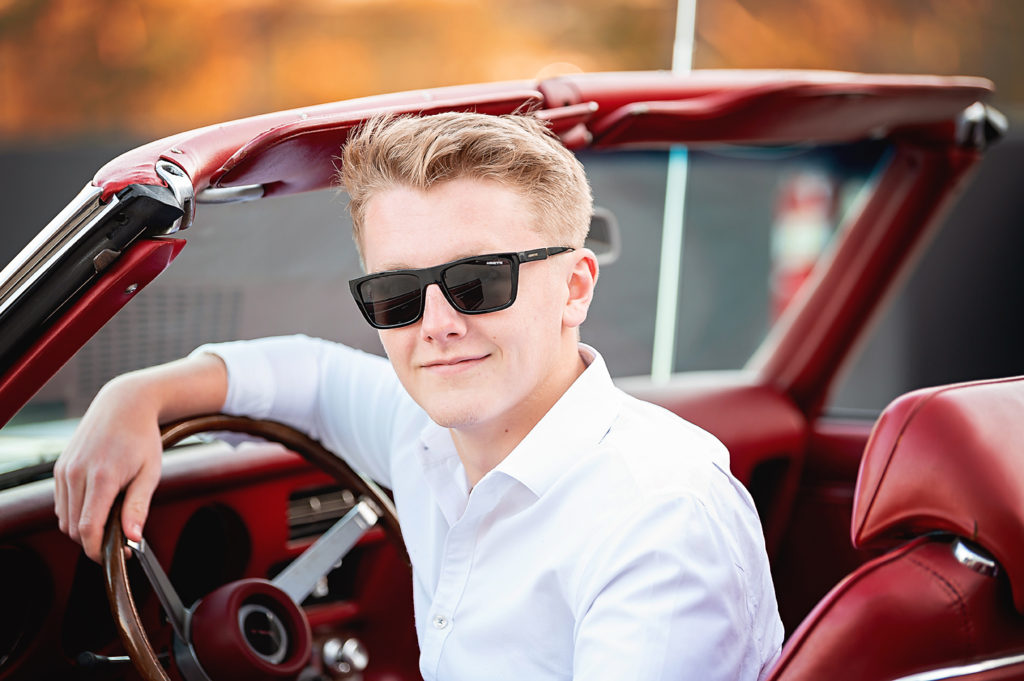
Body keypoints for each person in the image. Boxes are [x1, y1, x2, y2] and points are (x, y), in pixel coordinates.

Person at [55, 112, 784, 680]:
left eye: (480, 281)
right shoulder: (431, 429)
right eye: (396, 293)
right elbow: (308, 377)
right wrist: (136, 395)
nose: (437, 325)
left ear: (575, 287)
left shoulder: (659, 519)